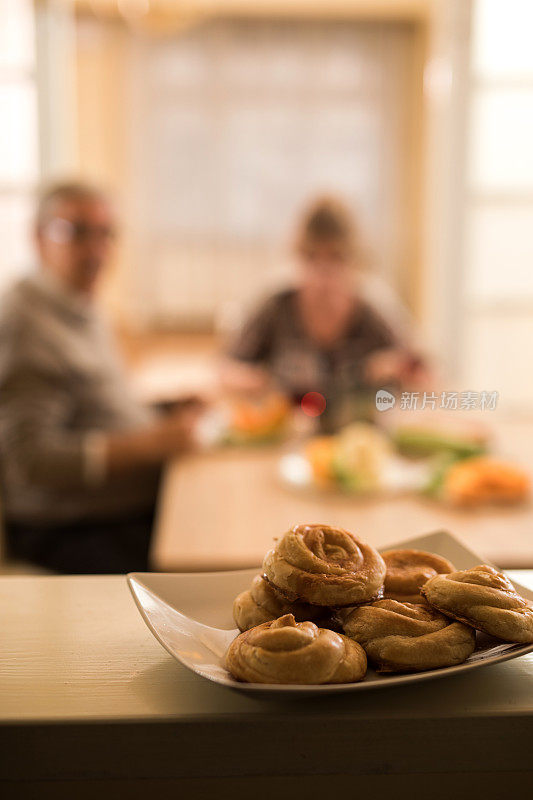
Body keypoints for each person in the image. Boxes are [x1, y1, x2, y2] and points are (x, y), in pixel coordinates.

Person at [0, 182, 202, 574]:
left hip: (116, 510)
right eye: (76, 232)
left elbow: (94, 405)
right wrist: (147, 444)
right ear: (39, 239)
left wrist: (164, 409)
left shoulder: (80, 304)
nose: (97, 251)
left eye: (106, 233)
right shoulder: (26, 324)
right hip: (70, 529)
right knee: (212, 561)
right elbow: (28, 459)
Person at [221, 196, 429, 425]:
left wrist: (395, 369)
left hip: (361, 435)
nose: (323, 273)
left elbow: (425, 375)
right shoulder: (275, 306)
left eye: (336, 257)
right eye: (312, 257)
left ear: (355, 262)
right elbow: (224, 369)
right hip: (287, 436)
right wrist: (261, 383)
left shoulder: (374, 309)